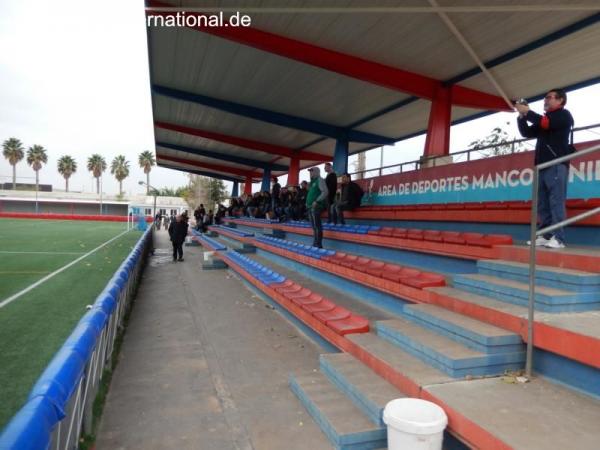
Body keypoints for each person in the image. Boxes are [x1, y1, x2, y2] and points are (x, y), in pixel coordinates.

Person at [516, 88, 574, 249]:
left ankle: (559, 238)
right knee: (543, 203)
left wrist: (528, 112)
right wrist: (522, 116)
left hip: (556, 164)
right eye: (545, 98)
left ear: (560, 100)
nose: (545, 100)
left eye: (549, 97)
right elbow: (526, 132)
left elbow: (545, 123)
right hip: (541, 166)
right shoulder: (544, 119)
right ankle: (546, 234)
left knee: (556, 201)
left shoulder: (563, 115)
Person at [306, 167, 328, 248]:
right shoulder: (312, 182)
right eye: (310, 172)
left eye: (311, 171)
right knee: (314, 226)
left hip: (316, 207)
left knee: (317, 226)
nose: (310, 173)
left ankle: (318, 244)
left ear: (316, 172)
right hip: (310, 207)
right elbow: (311, 194)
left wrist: (317, 201)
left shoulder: (320, 180)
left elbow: (325, 192)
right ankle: (315, 242)